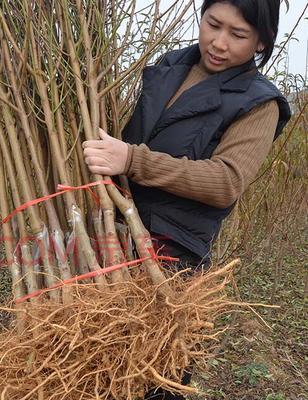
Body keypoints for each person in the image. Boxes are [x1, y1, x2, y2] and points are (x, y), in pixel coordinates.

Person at [82, 0, 291, 398]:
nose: (219, 42)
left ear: (261, 43)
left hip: (172, 256)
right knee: (98, 372)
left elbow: (227, 180)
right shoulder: (169, 65)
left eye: (238, 35)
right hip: (112, 235)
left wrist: (132, 159)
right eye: (213, 24)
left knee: (155, 378)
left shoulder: (259, 102)